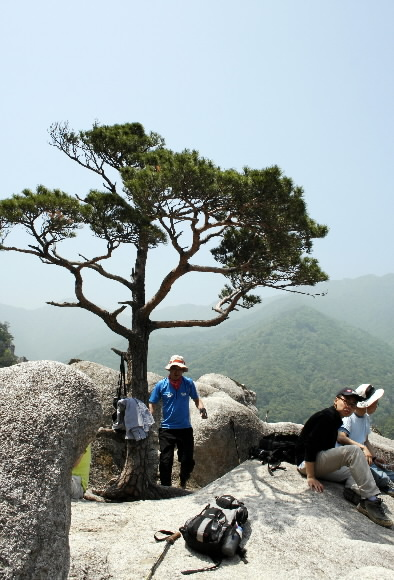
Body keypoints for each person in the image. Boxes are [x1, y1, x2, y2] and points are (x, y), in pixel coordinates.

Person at [295, 388, 393, 528]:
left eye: (353, 405)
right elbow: (310, 446)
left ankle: (355, 493)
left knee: (357, 469)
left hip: (320, 462)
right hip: (307, 463)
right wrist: (311, 476)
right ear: (336, 400)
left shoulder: (336, 419)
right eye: (346, 401)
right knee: (353, 452)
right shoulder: (326, 416)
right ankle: (371, 500)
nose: (349, 406)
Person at [149, 355, 208, 488]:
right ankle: (166, 488)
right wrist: (150, 414)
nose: (176, 371)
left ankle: (183, 480)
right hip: (167, 429)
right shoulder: (161, 385)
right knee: (165, 460)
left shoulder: (188, 383)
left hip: (185, 428)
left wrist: (202, 408)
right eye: (173, 368)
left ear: (183, 370)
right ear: (169, 370)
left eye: (179, 369)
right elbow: (152, 402)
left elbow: (196, 399)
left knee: (187, 460)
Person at [337, 383, 394, 496]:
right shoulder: (349, 417)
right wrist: (362, 448)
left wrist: (375, 457)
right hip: (352, 460)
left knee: (390, 473)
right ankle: (386, 485)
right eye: (375, 402)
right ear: (368, 404)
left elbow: (366, 440)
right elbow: (341, 437)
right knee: (378, 475)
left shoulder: (365, 418)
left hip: (364, 458)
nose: (377, 405)